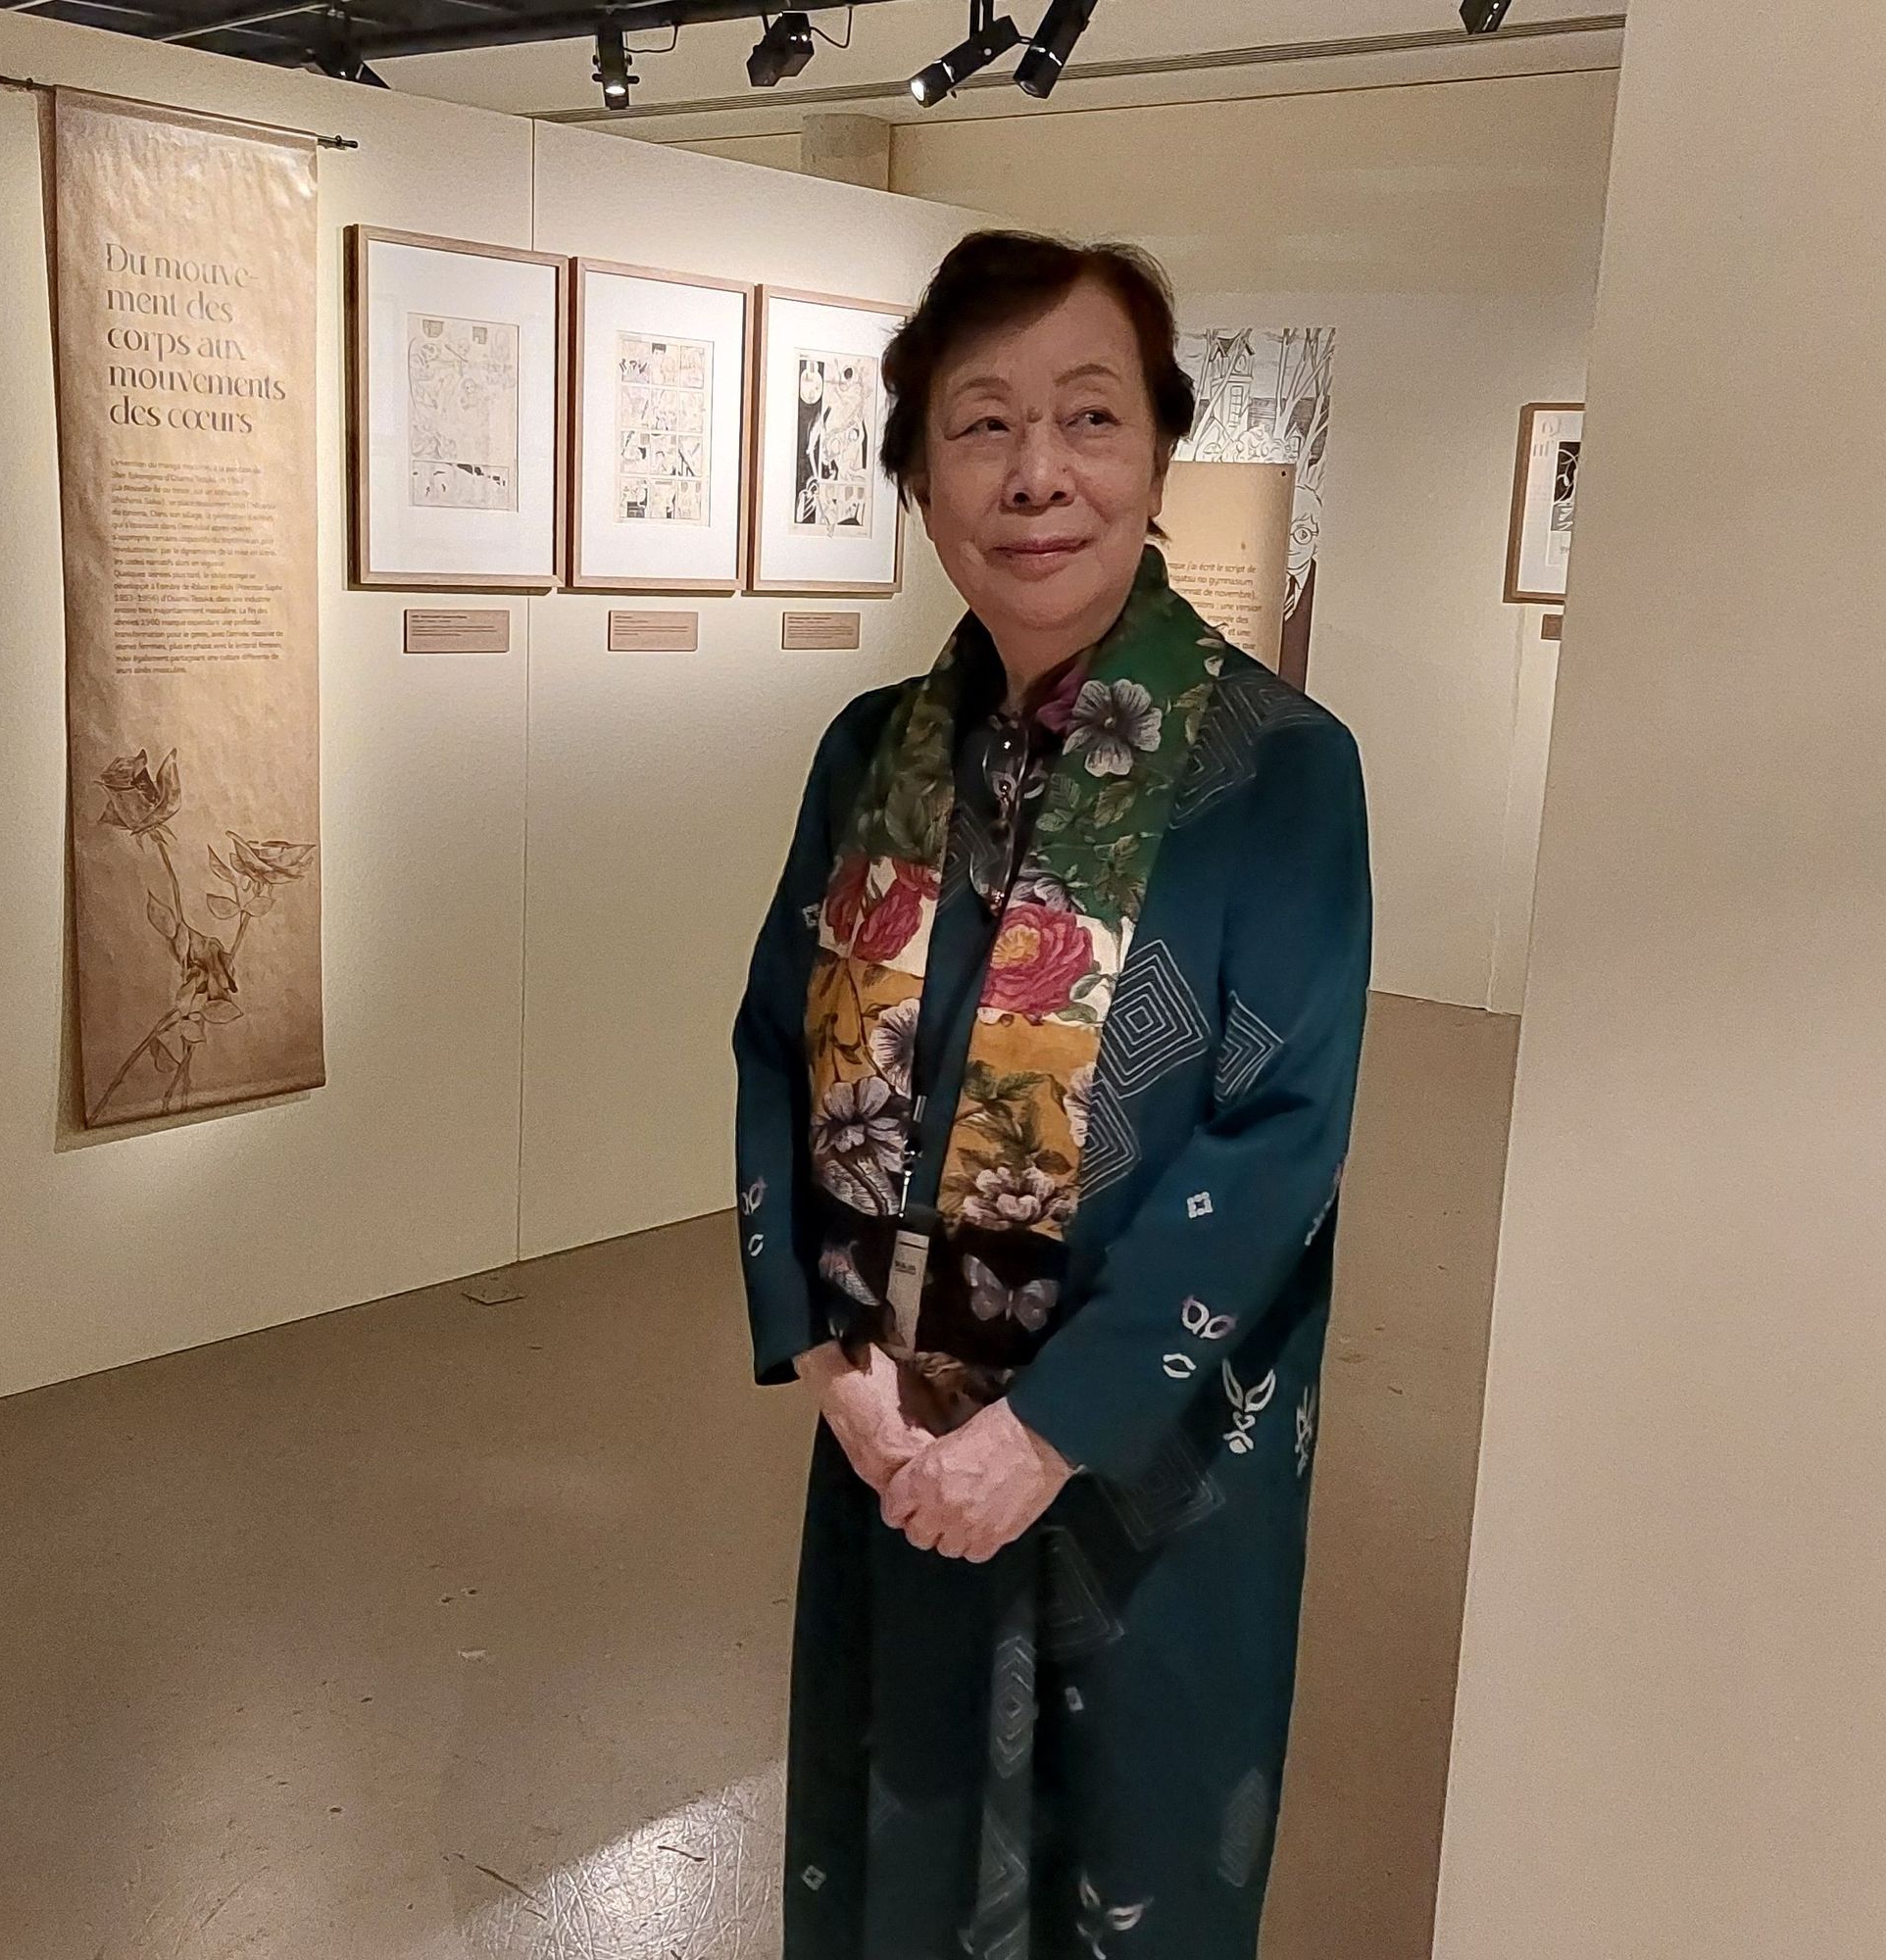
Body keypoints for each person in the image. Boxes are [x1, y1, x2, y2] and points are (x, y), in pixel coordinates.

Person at [732, 229, 1372, 1960]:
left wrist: (1041, 1430)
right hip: (893, 1433)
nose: (1035, 474)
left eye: (1088, 417)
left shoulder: (1280, 774)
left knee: (1131, 1856)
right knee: (898, 1827)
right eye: (979, 423)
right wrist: (827, 1355)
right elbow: (777, 1050)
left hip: (1147, 1460)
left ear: (1159, 449)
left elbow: (1279, 1133)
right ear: (917, 472)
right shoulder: (869, 755)